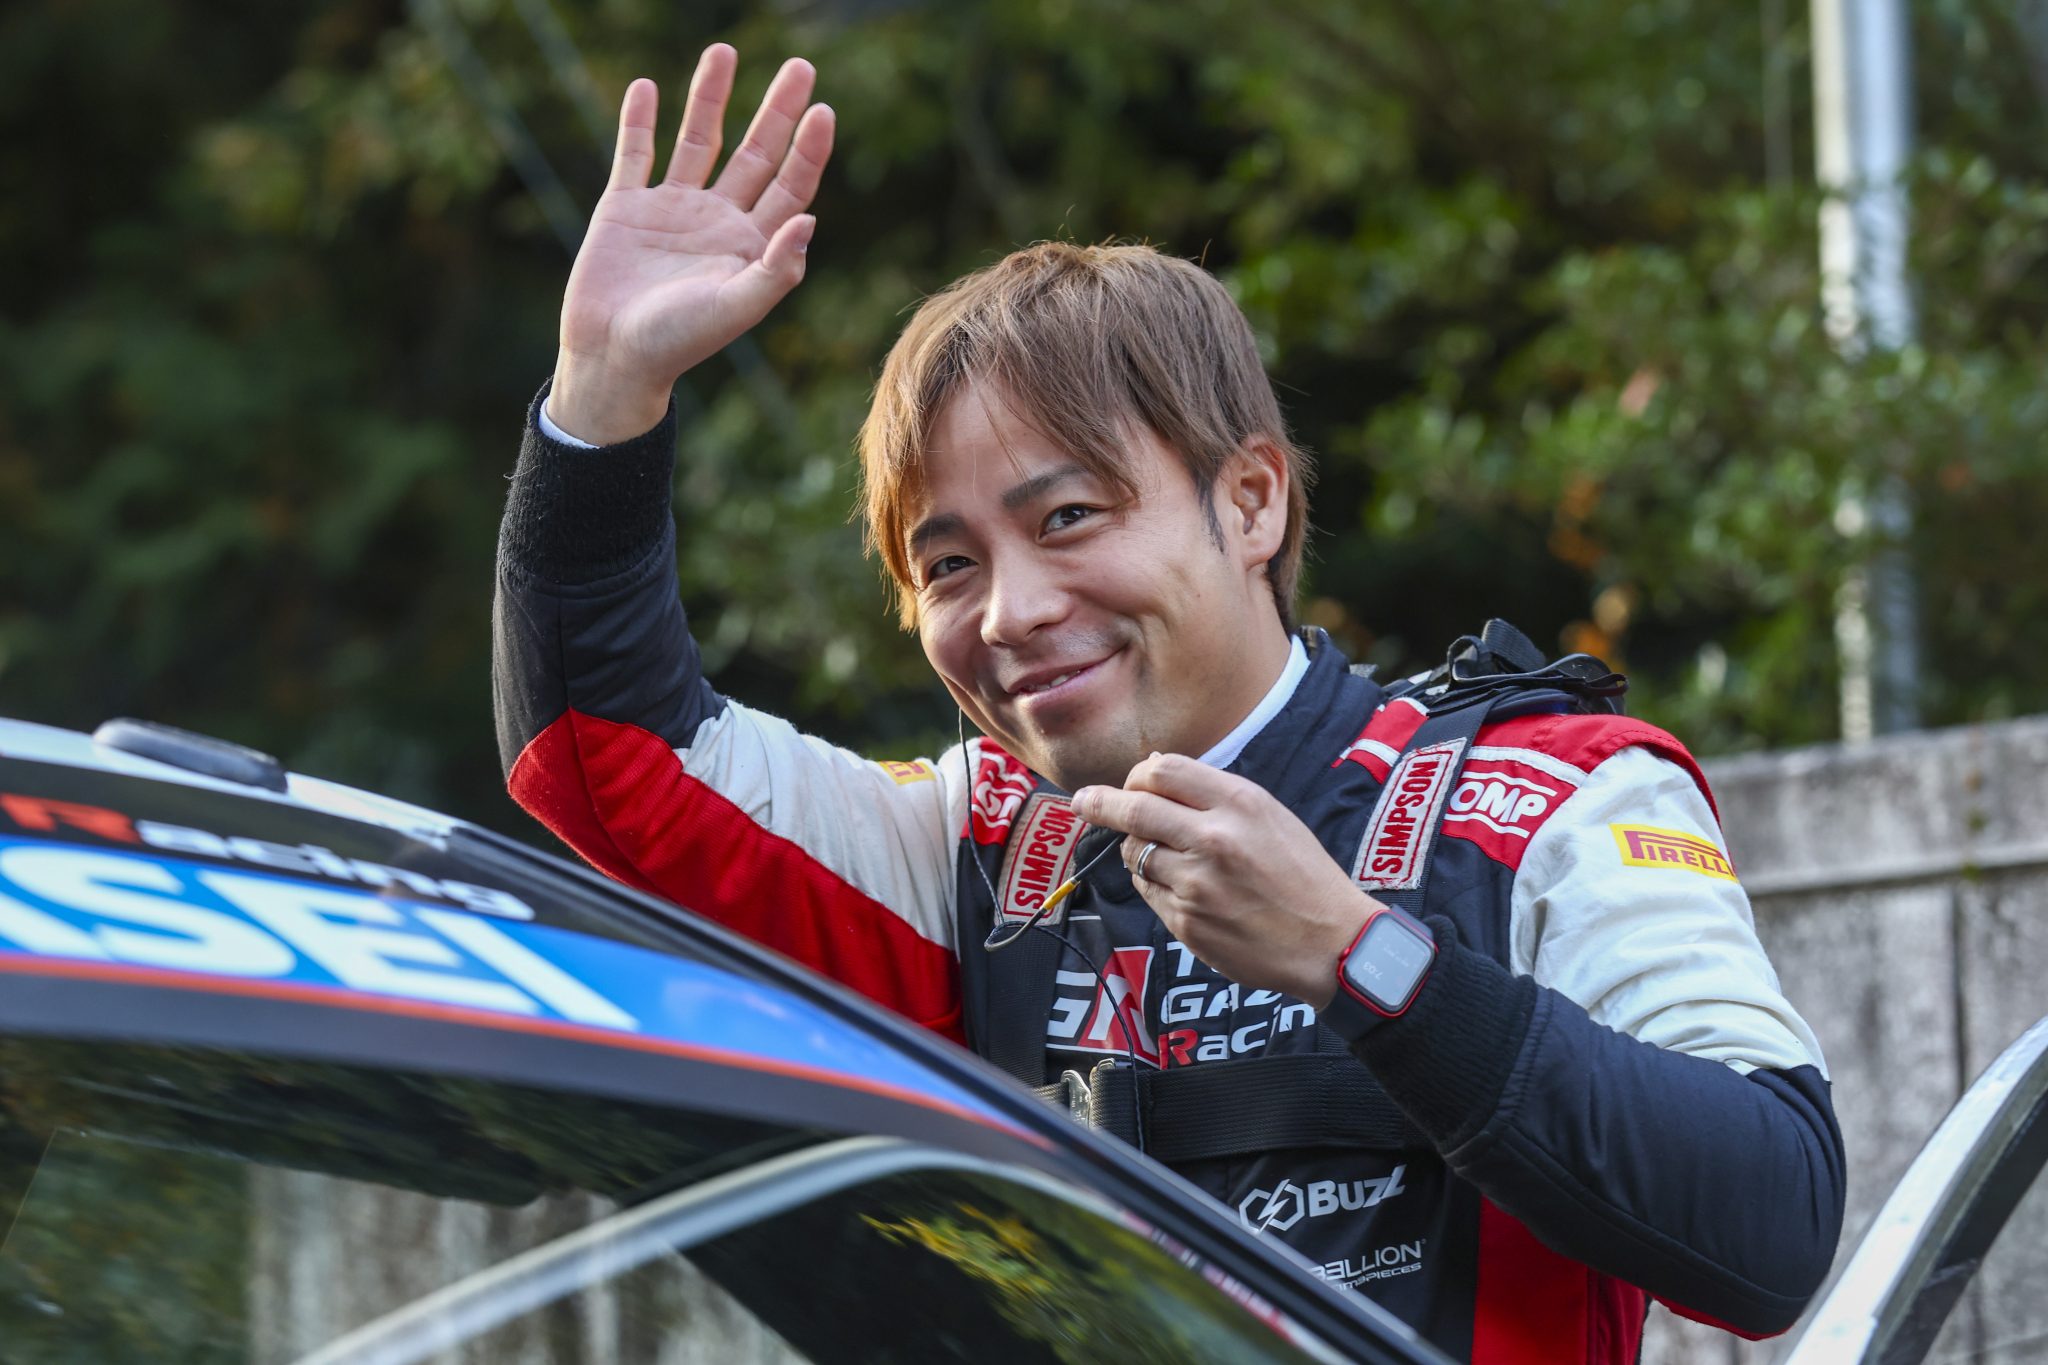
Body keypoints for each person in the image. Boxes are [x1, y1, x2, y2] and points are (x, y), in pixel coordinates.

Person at [492, 45, 1845, 1362]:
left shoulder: (1548, 794)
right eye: (948, 565)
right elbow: (596, 753)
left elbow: (1775, 1225)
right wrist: (607, 391)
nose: (1010, 610)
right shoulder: (970, 849)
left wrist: (1363, 960)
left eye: (1067, 517)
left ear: (1250, 503)